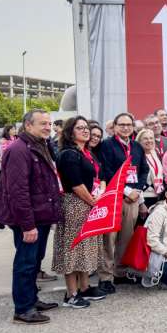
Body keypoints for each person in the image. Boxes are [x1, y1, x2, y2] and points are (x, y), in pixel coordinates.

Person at [0, 110, 62, 324]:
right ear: (28, 126)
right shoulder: (19, 150)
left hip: (41, 215)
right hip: (29, 220)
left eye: (49, 123)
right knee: (26, 262)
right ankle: (23, 309)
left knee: (35, 260)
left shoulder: (41, 145)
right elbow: (18, 191)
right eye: (43, 123)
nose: (48, 127)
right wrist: (27, 225)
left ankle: (31, 299)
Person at [51, 117, 107, 308]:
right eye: (80, 128)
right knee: (73, 248)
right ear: (70, 132)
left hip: (87, 204)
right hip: (75, 205)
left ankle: (85, 288)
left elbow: (96, 177)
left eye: (86, 128)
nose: (85, 131)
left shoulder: (85, 152)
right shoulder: (68, 154)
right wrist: (92, 201)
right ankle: (71, 294)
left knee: (85, 248)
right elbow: (75, 184)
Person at [97, 112, 149, 294]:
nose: (126, 128)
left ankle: (120, 271)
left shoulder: (136, 146)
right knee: (109, 239)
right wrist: (126, 190)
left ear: (133, 127)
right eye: (122, 125)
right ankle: (105, 276)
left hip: (133, 199)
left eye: (129, 125)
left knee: (126, 237)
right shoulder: (106, 146)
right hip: (113, 197)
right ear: (115, 127)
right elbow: (107, 171)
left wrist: (137, 191)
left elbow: (143, 170)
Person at [136, 128, 165, 208]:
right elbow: (136, 181)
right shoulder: (137, 157)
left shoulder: (155, 154)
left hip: (157, 196)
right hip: (144, 198)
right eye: (145, 138)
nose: (149, 140)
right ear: (139, 141)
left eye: (151, 138)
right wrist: (141, 203)